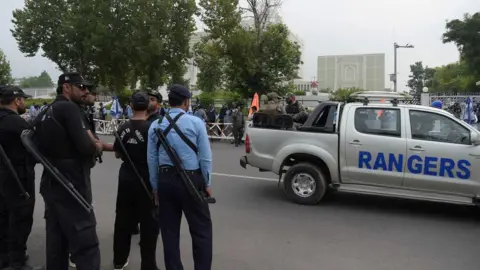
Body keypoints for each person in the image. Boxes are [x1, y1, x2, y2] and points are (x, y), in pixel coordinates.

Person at [33, 72, 102, 270]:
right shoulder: (69, 108)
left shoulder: (46, 110)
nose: (86, 91)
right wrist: (96, 146)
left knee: (57, 242)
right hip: (72, 181)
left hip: (51, 180)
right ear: (66, 87)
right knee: (86, 243)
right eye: (81, 87)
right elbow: (85, 146)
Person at [147, 84, 213, 270]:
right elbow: (205, 157)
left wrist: (155, 187)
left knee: (169, 233)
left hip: (165, 181)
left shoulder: (156, 124)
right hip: (192, 181)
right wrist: (207, 182)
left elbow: (152, 159)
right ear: (186, 101)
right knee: (201, 231)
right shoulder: (196, 123)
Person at [113, 92, 159, 270]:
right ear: (148, 106)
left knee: (123, 220)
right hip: (146, 177)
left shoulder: (123, 127)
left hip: (126, 177)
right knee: (149, 223)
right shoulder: (153, 128)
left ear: (131, 106)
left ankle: (119, 261)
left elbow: (117, 153)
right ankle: (148, 265)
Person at [0, 86, 42, 270]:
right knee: (20, 221)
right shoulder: (16, 123)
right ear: (16, 101)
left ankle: (4, 259)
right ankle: (17, 264)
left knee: (2, 220)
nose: (24, 102)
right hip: (19, 180)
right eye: (23, 99)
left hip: (3, 179)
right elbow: (36, 149)